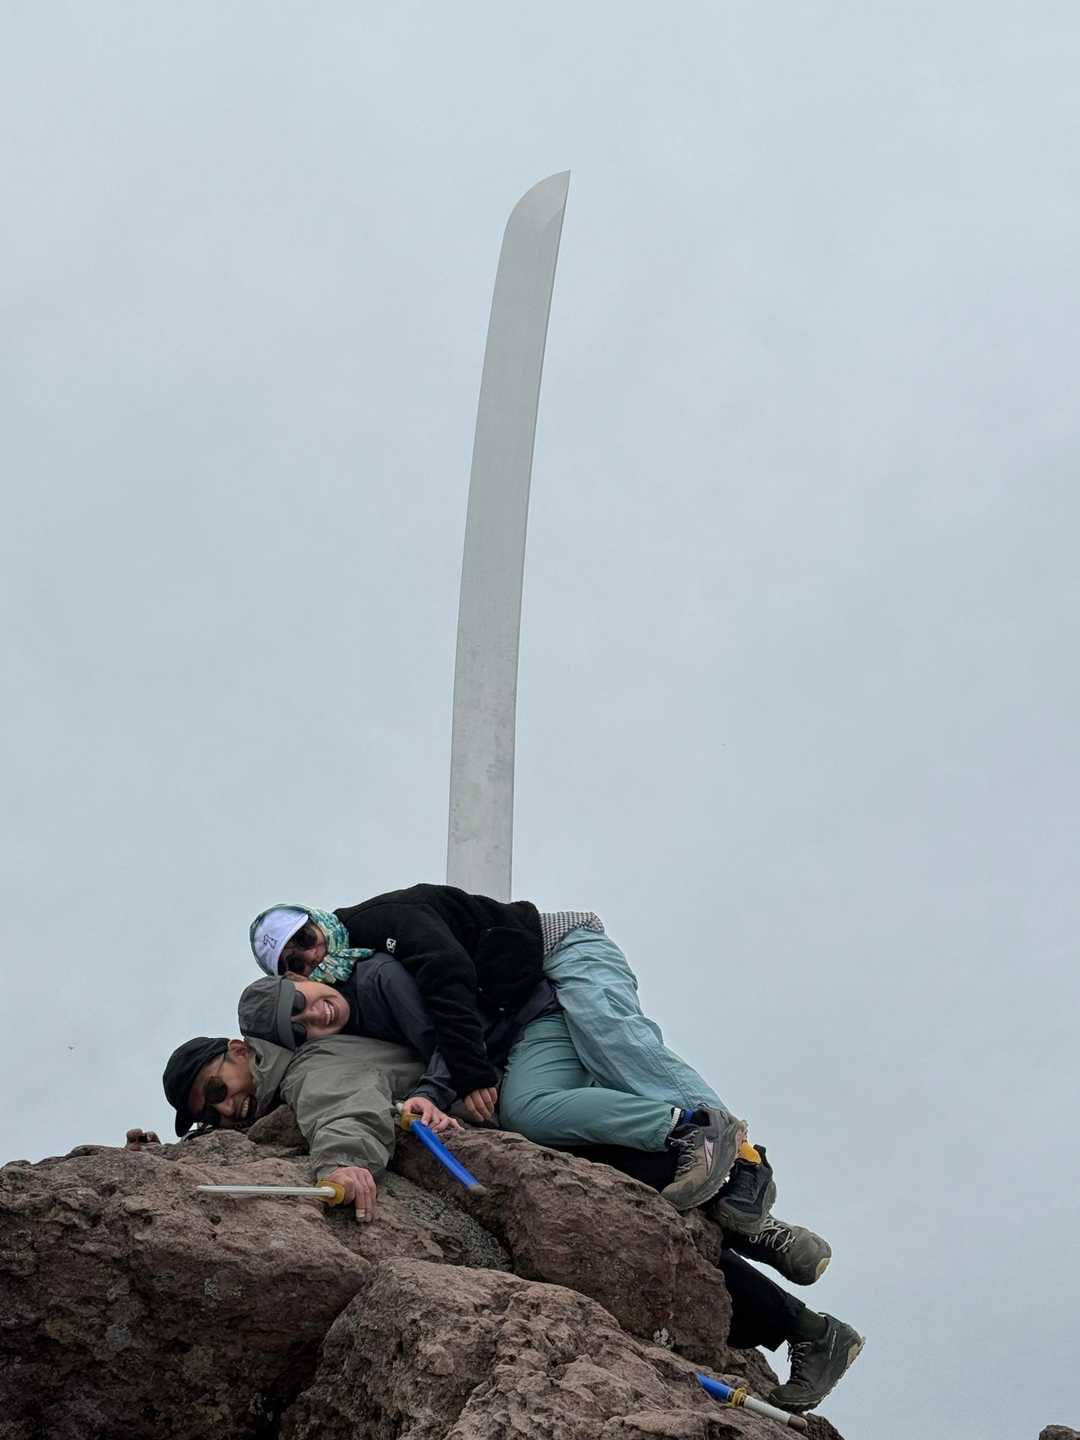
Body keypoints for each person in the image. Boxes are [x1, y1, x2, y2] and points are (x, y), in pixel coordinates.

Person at [157, 1027, 861, 1414]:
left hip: (499, 1107)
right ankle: (778, 1269)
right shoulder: (287, 1079)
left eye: (216, 1089)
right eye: (206, 1114)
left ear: (240, 1050)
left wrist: (343, 1163)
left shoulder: (311, 1066)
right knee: (641, 1209)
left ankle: (770, 1258)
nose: (222, 1108)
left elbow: (343, 1107)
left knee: (624, 1215)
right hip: (502, 1112)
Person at [248, 884, 776, 1226]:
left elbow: (448, 976)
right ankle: (725, 1187)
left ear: (317, 919)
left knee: (615, 1042)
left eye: (307, 937)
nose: (313, 954)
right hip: (525, 1010)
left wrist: (465, 1076)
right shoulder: (350, 981)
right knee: (566, 1096)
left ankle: (740, 1154)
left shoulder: (382, 925)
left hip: (560, 948)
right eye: (297, 960)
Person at [237, 969, 746, 1214]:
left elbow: (453, 1017)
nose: (313, 1017)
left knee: (531, 1110)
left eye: (214, 1086)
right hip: (513, 1057)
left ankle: (693, 1129)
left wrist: (442, 1088)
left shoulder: (373, 979)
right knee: (620, 1163)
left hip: (530, 1029)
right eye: (299, 1027)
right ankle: (752, 1221)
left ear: (238, 1050)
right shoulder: (344, 1025)